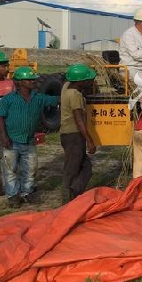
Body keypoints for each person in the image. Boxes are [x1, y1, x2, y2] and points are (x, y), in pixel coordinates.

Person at [0, 66, 60, 207]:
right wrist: (3, 137)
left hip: (29, 140)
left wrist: (69, 90)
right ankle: (13, 196)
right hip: (11, 140)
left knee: (31, 168)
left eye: (33, 79)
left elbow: (56, 100)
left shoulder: (38, 98)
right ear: (19, 82)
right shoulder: (8, 99)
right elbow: (0, 117)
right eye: (29, 79)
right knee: (10, 170)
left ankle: (27, 192)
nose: (32, 81)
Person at [59, 64, 98, 203]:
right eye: (88, 80)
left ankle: (74, 192)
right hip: (74, 135)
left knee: (86, 167)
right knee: (72, 168)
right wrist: (89, 140)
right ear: (80, 82)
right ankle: (67, 196)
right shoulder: (75, 95)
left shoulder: (66, 86)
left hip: (67, 134)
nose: (91, 82)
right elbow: (79, 120)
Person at [0, 52, 15, 197]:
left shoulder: (10, 83)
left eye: (7, 65)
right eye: (3, 66)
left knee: (11, 157)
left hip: (9, 127)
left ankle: (11, 186)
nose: (7, 68)